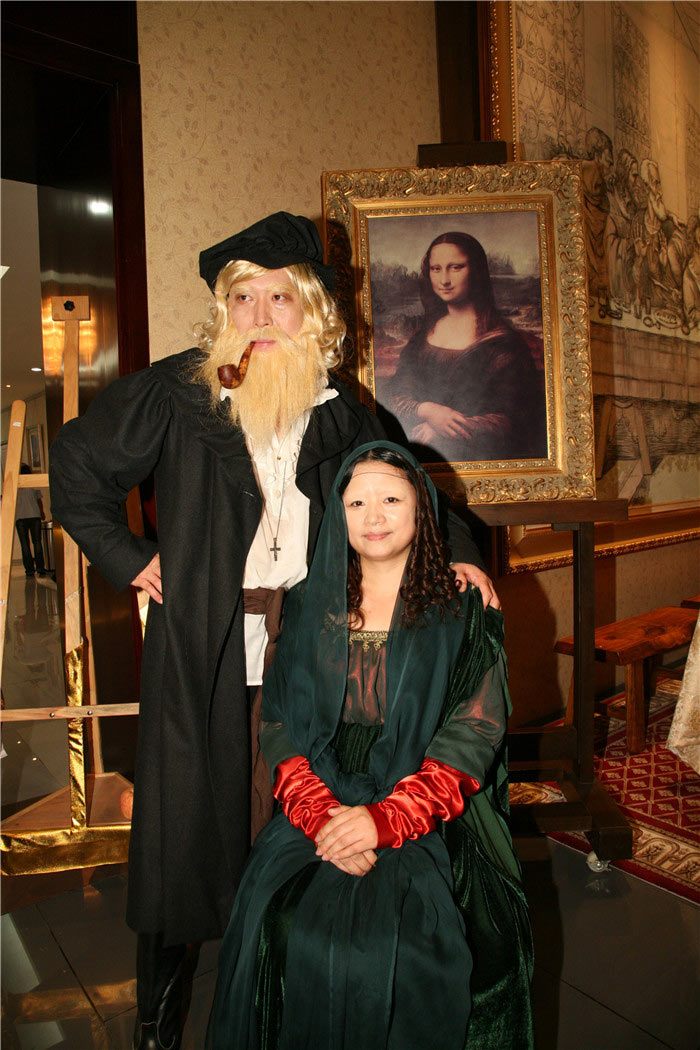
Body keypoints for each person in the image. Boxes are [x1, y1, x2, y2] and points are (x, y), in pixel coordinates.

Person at [49, 213, 495, 1050]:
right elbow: (75, 465)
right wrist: (131, 557)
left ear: (311, 311)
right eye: (243, 298)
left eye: (278, 297)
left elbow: (410, 489)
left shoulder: (339, 411)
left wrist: (463, 556)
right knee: (186, 828)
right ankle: (157, 1023)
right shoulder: (180, 394)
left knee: (295, 807)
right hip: (203, 647)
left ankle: (274, 989)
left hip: (309, 655)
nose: (258, 315)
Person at [207, 441, 534, 1050]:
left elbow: (473, 732)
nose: (373, 516)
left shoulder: (464, 610)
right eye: (356, 503)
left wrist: (384, 822)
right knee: (280, 926)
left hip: (431, 804)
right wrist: (322, 816)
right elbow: (278, 723)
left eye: (390, 499)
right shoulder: (307, 605)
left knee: (405, 950)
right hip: (323, 796)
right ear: (338, 515)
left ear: (422, 509)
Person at [387, 231, 547, 464]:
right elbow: (394, 396)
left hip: (482, 462)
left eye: (456, 267)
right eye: (436, 269)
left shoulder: (503, 344)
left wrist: (445, 429)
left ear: (476, 271)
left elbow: (515, 420)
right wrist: (428, 410)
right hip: (422, 460)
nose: (444, 280)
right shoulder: (421, 339)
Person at [15, 464, 47, 578]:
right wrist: (42, 512)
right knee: (37, 543)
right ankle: (40, 569)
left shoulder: (16, 484)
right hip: (34, 515)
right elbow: (39, 500)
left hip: (20, 517)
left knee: (25, 544)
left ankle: (29, 570)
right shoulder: (33, 483)